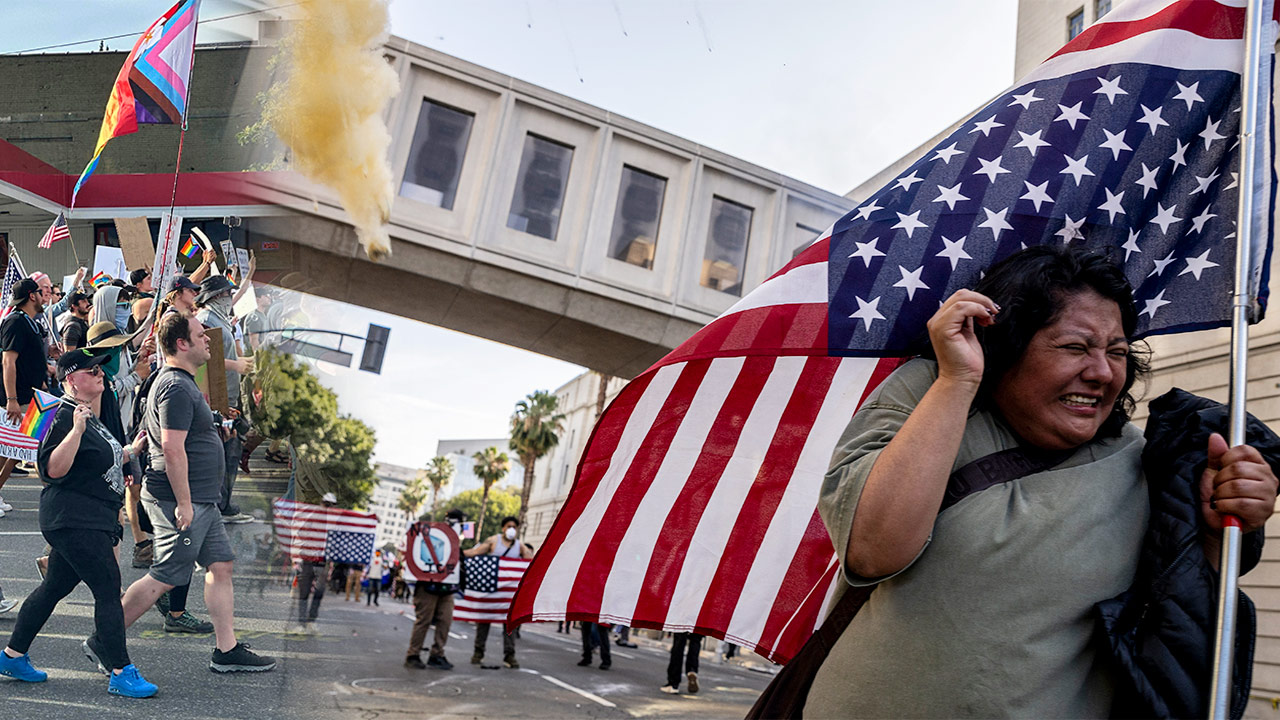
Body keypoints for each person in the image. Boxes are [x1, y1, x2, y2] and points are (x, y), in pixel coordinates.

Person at [802, 246, 1280, 717]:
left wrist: (1219, 520)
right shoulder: (929, 391)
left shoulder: (1142, 463)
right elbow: (874, 551)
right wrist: (957, 381)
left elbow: (1182, 604)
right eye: (1074, 347)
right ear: (1007, 345)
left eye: (1117, 352)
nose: (1102, 372)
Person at [114, 312, 275, 673]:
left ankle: (226, 649)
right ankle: (105, 638)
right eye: (201, 335)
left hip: (202, 499)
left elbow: (183, 436)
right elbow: (172, 449)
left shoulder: (182, 383)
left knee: (221, 566)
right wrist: (184, 503)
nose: (208, 340)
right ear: (181, 344)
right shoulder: (175, 386)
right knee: (166, 575)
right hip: (181, 500)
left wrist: (215, 427)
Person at [0, 349, 157, 697]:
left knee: (54, 587)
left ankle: (12, 656)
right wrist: (76, 430)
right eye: (92, 371)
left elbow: (97, 458)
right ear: (71, 379)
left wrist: (130, 451)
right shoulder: (61, 414)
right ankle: (121, 671)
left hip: (86, 517)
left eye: (100, 369)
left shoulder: (86, 412)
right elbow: (52, 469)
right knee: (108, 589)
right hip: (75, 518)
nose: (101, 374)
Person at [193, 275, 255, 525]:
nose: (230, 298)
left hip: (228, 393)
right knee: (224, 453)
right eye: (227, 294)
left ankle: (223, 503)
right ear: (217, 296)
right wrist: (236, 365)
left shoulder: (219, 317)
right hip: (217, 398)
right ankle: (220, 506)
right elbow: (204, 359)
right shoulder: (206, 320)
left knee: (230, 451)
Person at [0, 278, 50, 517]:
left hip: (34, 396)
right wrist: (11, 399)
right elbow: (8, 361)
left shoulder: (31, 323)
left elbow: (30, 358)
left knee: (21, 450)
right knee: (10, 449)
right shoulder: (15, 322)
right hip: (18, 397)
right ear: (32, 295)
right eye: (41, 291)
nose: (45, 296)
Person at [464, 515, 533, 668]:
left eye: (514, 527)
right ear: (503, 528)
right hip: (491, 589)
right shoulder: (493, 541)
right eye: (509, 526)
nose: (511, 530)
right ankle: (478, 652)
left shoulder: (519, 546)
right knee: (484, 621)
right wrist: (459, 553)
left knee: (509, 625)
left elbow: (531, 561)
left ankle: (509, 655)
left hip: (508, 594)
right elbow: (476, 552)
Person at [405, 508, 464, 671]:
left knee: (445, 620)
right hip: (427, 586)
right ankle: (413, 654)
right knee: (424, 620)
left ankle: (437, 654)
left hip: (447, 588)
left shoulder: (455, 541)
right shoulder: (434, 534)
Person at [295, 492, 337, 626]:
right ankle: (302, 622)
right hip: (309, 558)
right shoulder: (313, 516)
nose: (328, 507)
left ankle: (311, 621)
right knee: (304, 591)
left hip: (323, 561)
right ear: (322, 503)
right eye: (326, 504)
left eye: (331, 505)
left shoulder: (334, 522)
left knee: (319, 592)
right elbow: (301, 532)